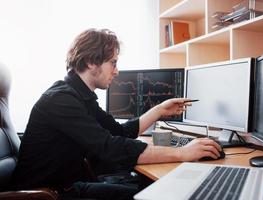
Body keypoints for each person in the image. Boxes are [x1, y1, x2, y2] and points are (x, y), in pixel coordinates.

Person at [11, 28, 222, 200]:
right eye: (113, 62)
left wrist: (159, 111)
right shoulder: (61, 100)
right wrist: (182, 153)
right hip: (46, 196)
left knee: (149, 192)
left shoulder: (80, 96)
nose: (117, 70)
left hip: (65, 188)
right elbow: (110, 148)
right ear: (91, 62)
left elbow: (120, 132)